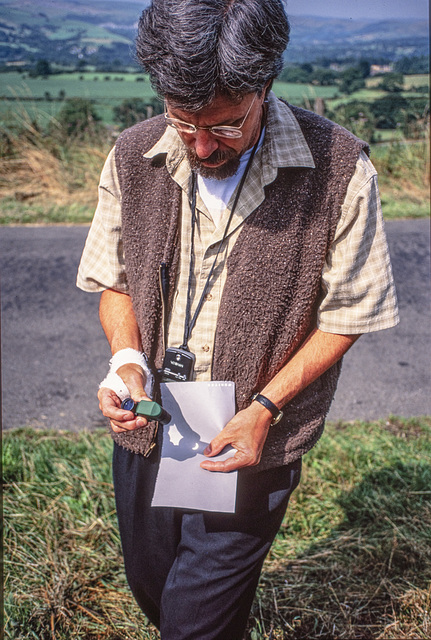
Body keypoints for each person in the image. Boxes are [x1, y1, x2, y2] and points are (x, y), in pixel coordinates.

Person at [77, 0, 399, 637]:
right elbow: (113, 280)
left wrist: (266, 409)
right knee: (154, 585)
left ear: (264, 84)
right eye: (183, 122)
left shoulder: (340, 169)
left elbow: (349, 314)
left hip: (254, 436)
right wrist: (126, 361)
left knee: (191, 622)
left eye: (224, 127)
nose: (200, 146)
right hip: (151, 424)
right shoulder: (133, 153)